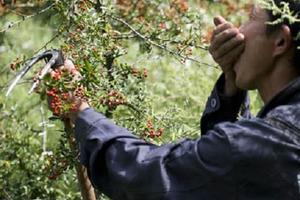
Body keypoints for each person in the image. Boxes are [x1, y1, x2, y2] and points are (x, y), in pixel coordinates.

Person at [54, 1, 300, 199]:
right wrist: (231, 86)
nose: (239, 31)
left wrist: (81, 111)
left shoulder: (273, 141)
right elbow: (223, 177)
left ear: (280, 41)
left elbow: (153, 176)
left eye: (251, 18)